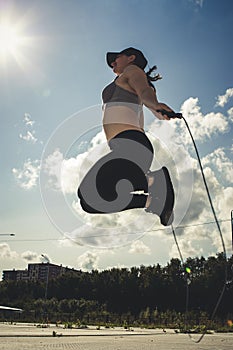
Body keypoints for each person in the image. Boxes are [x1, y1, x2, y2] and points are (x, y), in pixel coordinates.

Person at [77, 47, 178, 226]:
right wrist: (157, 110)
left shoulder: (132, 71)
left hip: (132, 145)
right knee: (88, 201)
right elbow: (146, 101)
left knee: (88, 194)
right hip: (126, 147)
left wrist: (156, 105)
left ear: (131, 58)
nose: (112, 63)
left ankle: (155, 180)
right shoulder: (123, 78)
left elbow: (145, 93)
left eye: (116, 58)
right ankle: (152, 200)